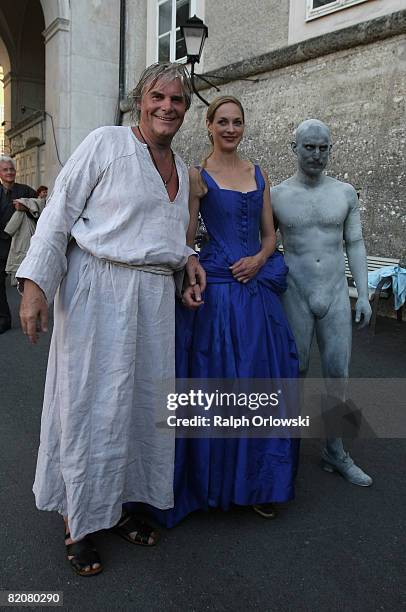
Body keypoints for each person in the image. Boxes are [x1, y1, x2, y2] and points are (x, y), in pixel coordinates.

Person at [17, 62, 205, 576]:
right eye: (158, 97)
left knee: (137, 408)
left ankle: (116, 506)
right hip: (97, 290)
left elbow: (164, 235)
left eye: (178, 101)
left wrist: (186, 261)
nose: (168, 107)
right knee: (88, 406)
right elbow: (58, 214)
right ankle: (78, 519)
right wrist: (36, 285)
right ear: (138, 101)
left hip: (152, 301)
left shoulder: (180, 165)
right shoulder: (105, 144)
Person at [151, 95, 300, 528]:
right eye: (223, 122)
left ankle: (259, 483)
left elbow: (270, 235)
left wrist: (258, 259)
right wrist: (189, 269)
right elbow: (186, 234)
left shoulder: (259, 172)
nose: (231, 129)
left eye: (237, 122)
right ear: (210, 126)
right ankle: (212, 483)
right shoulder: (198, 176)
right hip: (218, 290)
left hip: (257, 289)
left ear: (243, 127)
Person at [271, 119, 372, 487]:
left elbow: (355, 244)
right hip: (294, 292)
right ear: (293, 147)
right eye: (309, 147)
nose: (316, 155)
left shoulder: (344, 193)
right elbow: (265, 246)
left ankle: (336, 449)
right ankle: (284, 451)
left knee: (338, 374)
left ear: (331, 148)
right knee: (293, 373)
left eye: (323, 148)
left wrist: (362, 293)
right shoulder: (277, 195)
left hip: (333, 293)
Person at [0, 156, 36, 333]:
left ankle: (31, 317)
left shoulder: (26, 190)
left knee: (27, 282)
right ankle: (4, 320)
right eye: (5, 170)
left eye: (11, 169)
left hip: (22, 245)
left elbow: (43, 208)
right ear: (0, 173)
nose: (9, 172)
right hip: (1, 245)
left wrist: (27, 207)